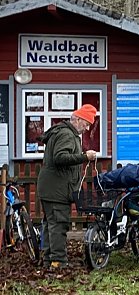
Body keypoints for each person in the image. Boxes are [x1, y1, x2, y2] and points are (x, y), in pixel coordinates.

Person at [37, 105, 99, 270]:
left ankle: (49, 260)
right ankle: (58, 262)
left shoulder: (61, 131)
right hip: (57, 189)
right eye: (86, 124)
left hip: (51, 188)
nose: (86, 129)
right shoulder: (67, 135)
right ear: (77, 119)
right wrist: (84, 157)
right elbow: (60, 157)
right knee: (59, 225)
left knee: (50, 224)